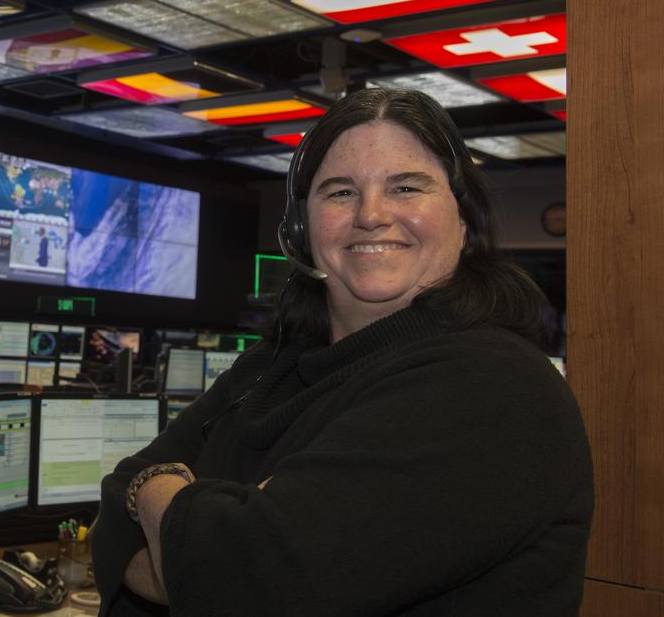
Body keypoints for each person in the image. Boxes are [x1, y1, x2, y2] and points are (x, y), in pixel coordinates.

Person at [92, 88, 593, 616]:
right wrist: (172, 509)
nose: (371, 215)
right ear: (302, 229)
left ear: (464, 223)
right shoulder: (267, 368)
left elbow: (248, 582)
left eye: (405, 187)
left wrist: (156, 503)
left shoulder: (497, 387)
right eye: (339, 192)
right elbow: (115, 503)